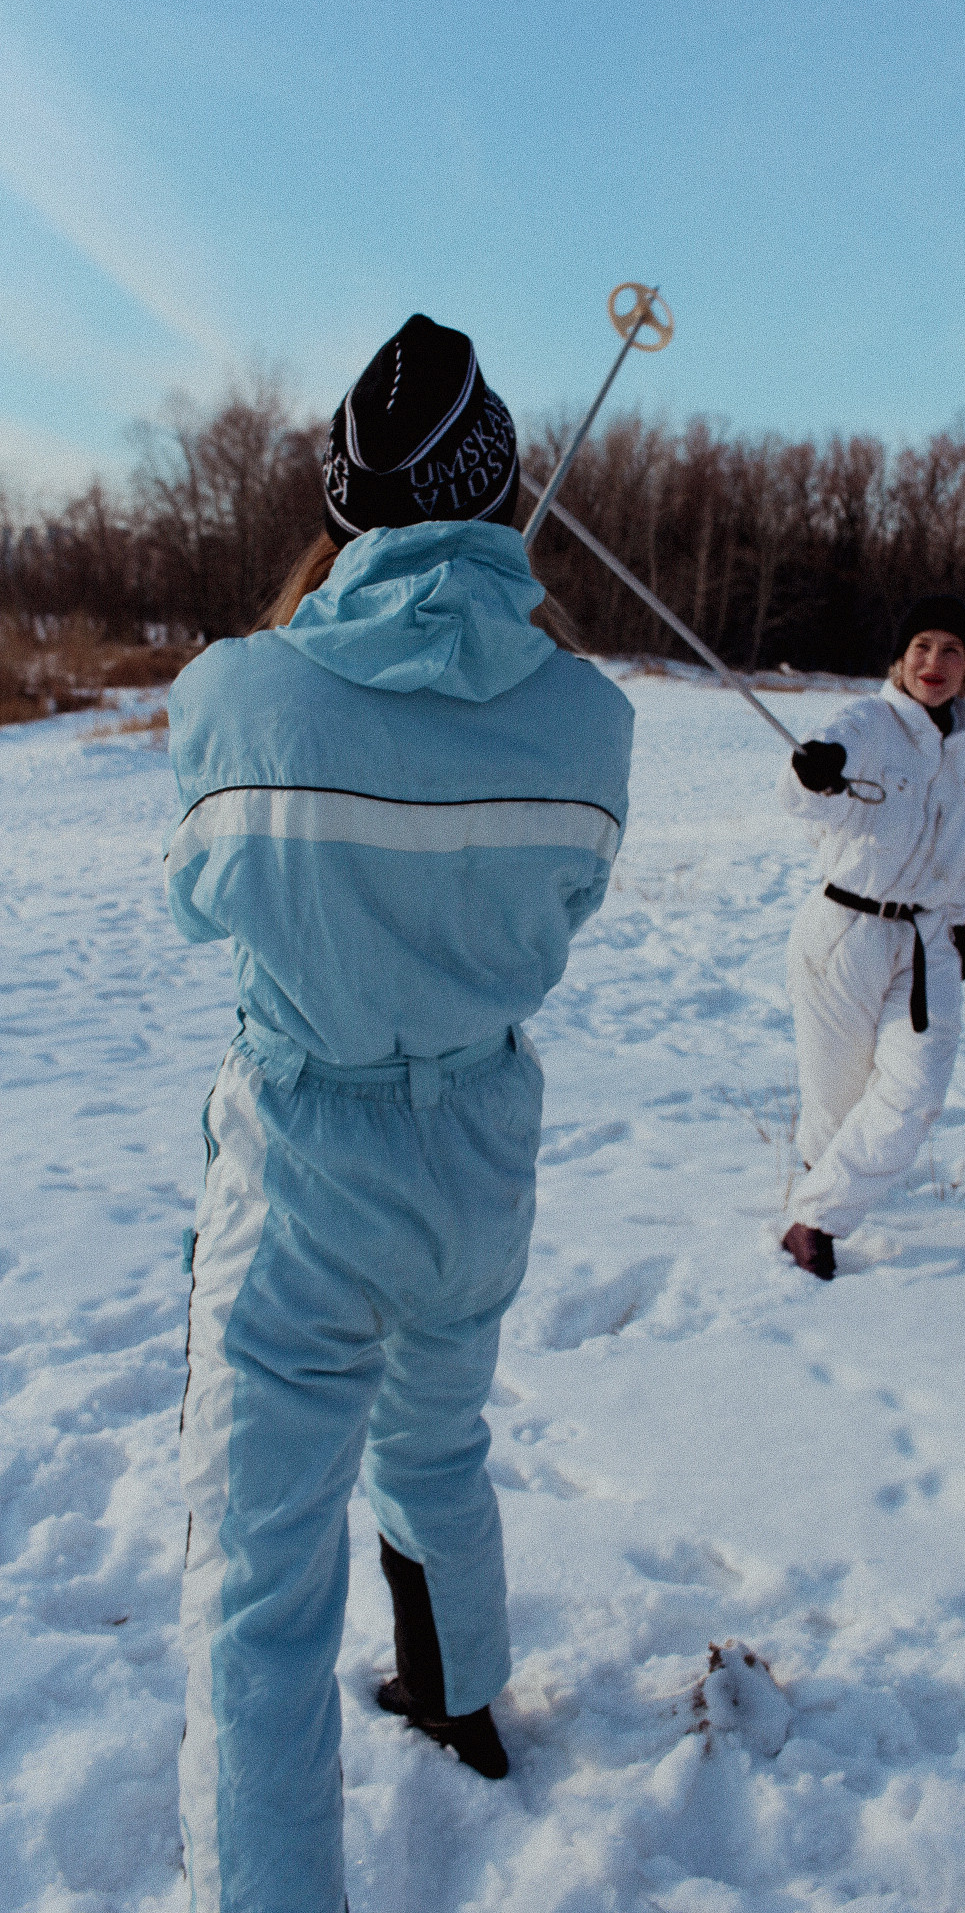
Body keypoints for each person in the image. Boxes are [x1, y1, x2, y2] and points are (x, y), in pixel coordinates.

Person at [164, 314, 634, 1913]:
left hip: (305, 1174)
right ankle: (460, 1697)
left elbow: (195, 903)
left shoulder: (236, 695)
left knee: (258, 1588)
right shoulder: (593, 721)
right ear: (499, 500)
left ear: (344, 509)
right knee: (437, 1446)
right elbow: (564, 910)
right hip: (478, 1165)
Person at [778, 596, 965, 1279]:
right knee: (836, 1102)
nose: (935, 662)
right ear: (900, 659)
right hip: (844, 932)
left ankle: (814, 1218)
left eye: (952, 650)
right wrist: (815, 768)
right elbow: (807, 788)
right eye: (923, 646)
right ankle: (826, 1176)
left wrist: (957, 925)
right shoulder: (867, 723)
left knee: (918, 1090)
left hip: (928, 940)